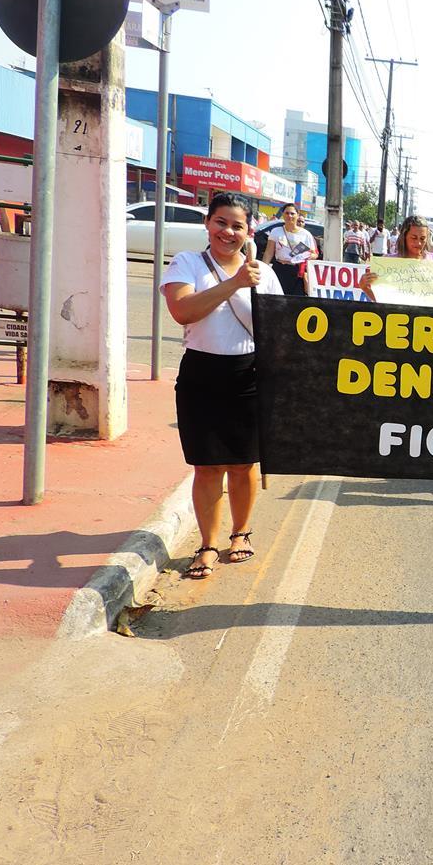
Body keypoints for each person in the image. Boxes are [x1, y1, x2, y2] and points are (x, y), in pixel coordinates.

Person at [160, 193, 282, 580]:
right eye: (221, 223)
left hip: (249, 373)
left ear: (250, 231)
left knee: (244, 462)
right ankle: (207, 545)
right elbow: (183, 311)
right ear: (208, 224)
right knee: (208, 466)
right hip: (201, 374)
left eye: (237, 226)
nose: (228, 232)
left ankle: (241, 533)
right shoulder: (187, 263)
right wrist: (234, 283)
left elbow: (280, 327)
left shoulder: (264, 272)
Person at [261, 203, 317, 295]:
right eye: (287, 213)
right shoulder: (276, 231)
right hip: (279, 268)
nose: (289, 216)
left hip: (297, 271)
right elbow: (268, 253)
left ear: (297, 215)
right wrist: (264, 270)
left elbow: (314, 254)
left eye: (292, 213)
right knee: (278, 298)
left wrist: (305, 256)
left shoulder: (306, 234)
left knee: (296, 300)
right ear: (283, 214)